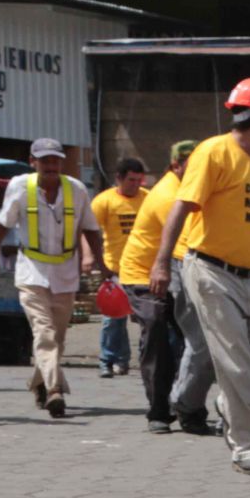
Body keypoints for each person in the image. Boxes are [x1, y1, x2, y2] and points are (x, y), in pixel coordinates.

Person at [152, 78, 250, 476]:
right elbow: (180, 209)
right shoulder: (213, 152)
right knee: (238, 364)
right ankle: (249, 448)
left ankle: (230, 407)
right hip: (212, 272)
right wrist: (162, 262)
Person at [0, 138, 103, 419]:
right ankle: (54, 390)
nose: (51, 165)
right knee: (44, 333)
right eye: (45, 160)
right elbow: (2, 225)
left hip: (65, 273)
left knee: (57, 339)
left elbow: (91, 228)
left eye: (56, 160)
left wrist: (101, 262)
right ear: (33, 161)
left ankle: (39, 382)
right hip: (31, 272)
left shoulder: (76, 190)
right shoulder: (19, 187)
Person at [121, 141, 196, 436]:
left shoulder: (189, 190)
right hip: (143, 275)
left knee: (187, 337)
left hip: (170, 273)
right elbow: (186, 243)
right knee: (157, 332)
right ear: (175, 165)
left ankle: (185, 404)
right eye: (190, 164)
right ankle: (158, 411)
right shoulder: (169, 195)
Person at [92, 157, 148, 378]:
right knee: (113, 318)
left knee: (146, 320)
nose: (135, 184)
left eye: (138, 180)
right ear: (119, 179)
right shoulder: (103, 201)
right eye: (131, 180)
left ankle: (127, 360)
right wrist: (92, 259)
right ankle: (107, 360)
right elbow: (89, 231)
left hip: (143, 269)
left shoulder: (148, 199)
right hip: (115, 270)